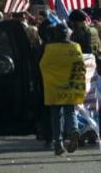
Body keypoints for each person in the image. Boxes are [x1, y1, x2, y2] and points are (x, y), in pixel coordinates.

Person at [39, 22, 85, 156]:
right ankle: (73, 129)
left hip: (53, 86)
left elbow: (42, 64)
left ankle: (58, 143)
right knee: (70, 111)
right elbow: (80, 65)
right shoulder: (75, 47)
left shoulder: (48, 47)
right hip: (70, 85)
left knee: (56, 115)